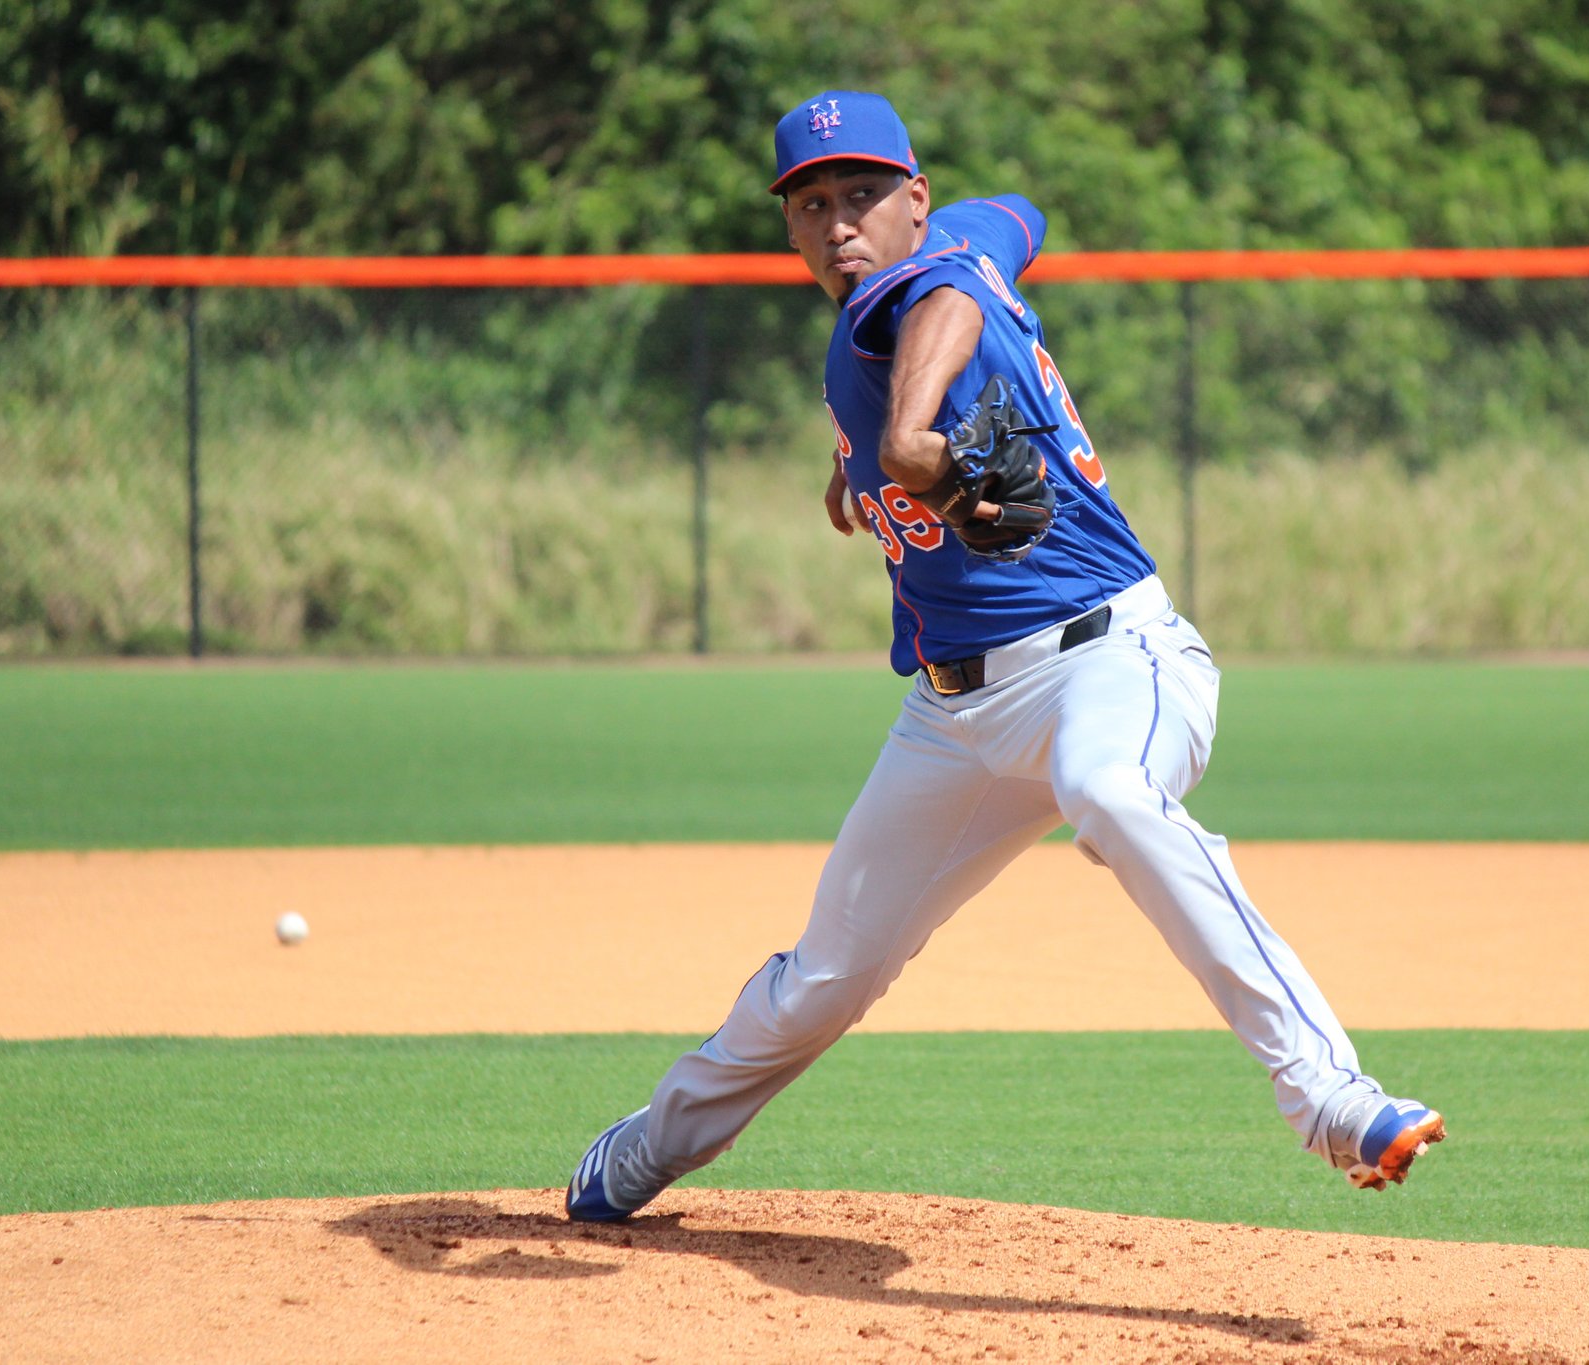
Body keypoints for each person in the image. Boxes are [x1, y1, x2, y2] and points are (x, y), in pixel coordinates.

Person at [566, 90, 1444, 1221]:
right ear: (789, 226)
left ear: (913, 200)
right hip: (952, 721)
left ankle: (1332, 1096)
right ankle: (650, 1144)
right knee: (822, 981)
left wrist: (904, 435)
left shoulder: (915, 288)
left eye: (867, 194)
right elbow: (1010, 217)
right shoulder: (964, 243)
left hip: (1110, 659)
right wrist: (874, 460)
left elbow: (935, 301)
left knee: (1106, 791)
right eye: (814, 203)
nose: (841, 222)